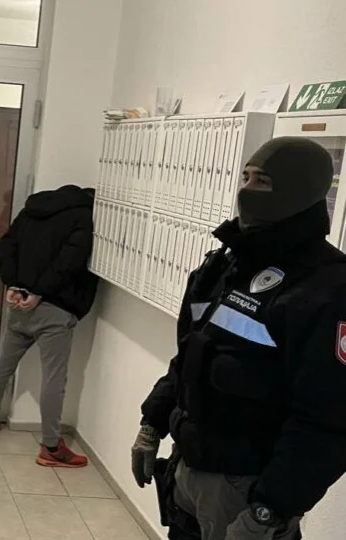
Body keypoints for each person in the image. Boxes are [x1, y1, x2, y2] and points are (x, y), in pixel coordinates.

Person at [131, 137, 346, 540]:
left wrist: (270, 509)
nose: (246, 190)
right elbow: (190, 357)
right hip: (188, 469)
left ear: (298, 190)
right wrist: (153, 421)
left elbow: (328, 420)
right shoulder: (226, 265)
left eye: (262, 181)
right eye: (245, 177)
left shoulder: (327, 287)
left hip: (246, 491)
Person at [0, 185, 99, 467]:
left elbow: (7, 245)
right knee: (54, 378)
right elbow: (70, 261)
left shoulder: (32, 209)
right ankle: (51, 447)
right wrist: (40, 291)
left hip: (18, 302)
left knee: (3, 364)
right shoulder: (83, 215)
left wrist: (12, 283)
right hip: (54, 309)